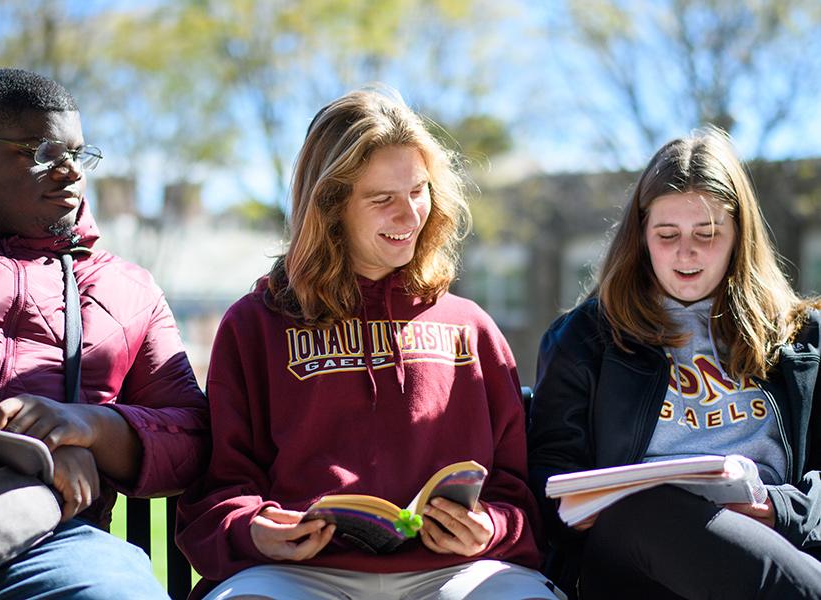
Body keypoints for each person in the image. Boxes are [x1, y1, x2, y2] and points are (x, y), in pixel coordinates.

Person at [176, 88, 561, 600]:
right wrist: (255, 528)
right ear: (331, 207)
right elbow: (220, 489)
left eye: (419, 191)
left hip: (456, 572)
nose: (410, 216)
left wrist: (491, 525)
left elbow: (518, 492)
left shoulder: (470, 326)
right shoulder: (255, 325)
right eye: (382, 199)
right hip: (299, 574)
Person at [0, 68, 209, 599]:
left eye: (79, 154)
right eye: (41, 153)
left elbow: (192, 436)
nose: (70, 172)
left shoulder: (127, 289)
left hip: (46, 542)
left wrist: (89, 429)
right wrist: (18, 438)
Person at [527, 126, 821, 599]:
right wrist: (584, 510)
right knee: (647, 507)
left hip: (768, 537)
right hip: (633, 560)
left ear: (738, 236)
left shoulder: (799, 339)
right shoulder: (585, 338)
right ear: (641, 236)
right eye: (667, 234)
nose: (687, 252)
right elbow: (548, 473)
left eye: (707, 233)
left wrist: (776, 508)